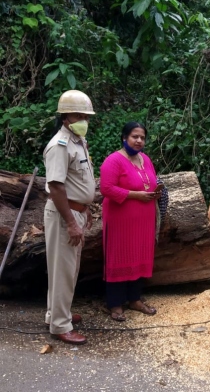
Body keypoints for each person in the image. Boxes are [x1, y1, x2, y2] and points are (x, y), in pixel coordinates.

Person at [100, 121, 168, 321]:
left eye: (142, 137)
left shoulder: (145, 159)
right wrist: (135, 195)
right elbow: (107, 188)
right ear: (124, 138)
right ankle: (115, 304)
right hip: (120, 219)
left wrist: (155, 193)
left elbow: (152, 182)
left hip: (144, 219)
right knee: (119, 256)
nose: (139, 141)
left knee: (139, 255)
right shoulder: (113, 161)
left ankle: (135, 299)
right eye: (134, 136)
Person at [44, 90, 96, 345]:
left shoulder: (77, 141)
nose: (83, 120)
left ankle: (57, 314)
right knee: (62, 269)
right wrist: (72, 222)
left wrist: (86, 212)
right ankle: (60, 326)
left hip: (77, 211)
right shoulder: (59, 145)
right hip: (65, 214)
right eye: (79, 115)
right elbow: (56, 187)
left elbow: (80, 181)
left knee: (68, 269)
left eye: (86, 116)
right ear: (65, 117)